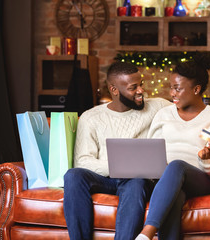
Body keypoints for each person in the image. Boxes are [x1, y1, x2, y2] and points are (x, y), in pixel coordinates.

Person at [63, 61, 171, 240]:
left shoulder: (159, 106)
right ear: (114, 89)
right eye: (133, 87)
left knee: (136, 182)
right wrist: (120, 166)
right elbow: (83, 161)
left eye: (141, 84)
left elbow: (189, 111)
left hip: (138, 180)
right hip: (105, 179)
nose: (140, 91)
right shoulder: (91, 117)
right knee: (73, 175)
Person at [136, 54, 210, 240]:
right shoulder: (163, 114)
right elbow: (151, 151)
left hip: (200, 179)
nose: (172, 93)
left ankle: (147, 233)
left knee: (176, 165)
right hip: (165, 180)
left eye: (177, 88)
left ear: (196, 89)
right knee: (175, 195)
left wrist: (206, 159)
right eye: (171, 88)